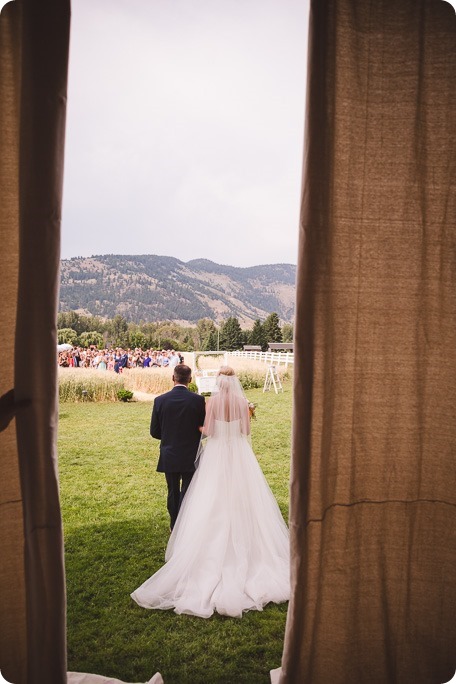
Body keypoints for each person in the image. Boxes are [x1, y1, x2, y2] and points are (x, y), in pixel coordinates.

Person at [131, 366, 290, 619]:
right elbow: (246, 431)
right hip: (239, 455)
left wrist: (201, 431)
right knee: (244, 495)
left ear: (219, 382)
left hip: (217, 454)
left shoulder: (213, 402)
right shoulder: (241, 402)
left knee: (209, 497)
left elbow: (209, 430)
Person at [150, 363, 206, 530]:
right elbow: (203, 428)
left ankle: (174, 525)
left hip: (170, 452)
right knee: (188, 491)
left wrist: (169, 436)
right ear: (190, 379)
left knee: (173, 491)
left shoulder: (160, 400)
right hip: (191, 453)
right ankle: (186, 526)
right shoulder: (198, 400)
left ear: (173, 378)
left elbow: (154, 432)